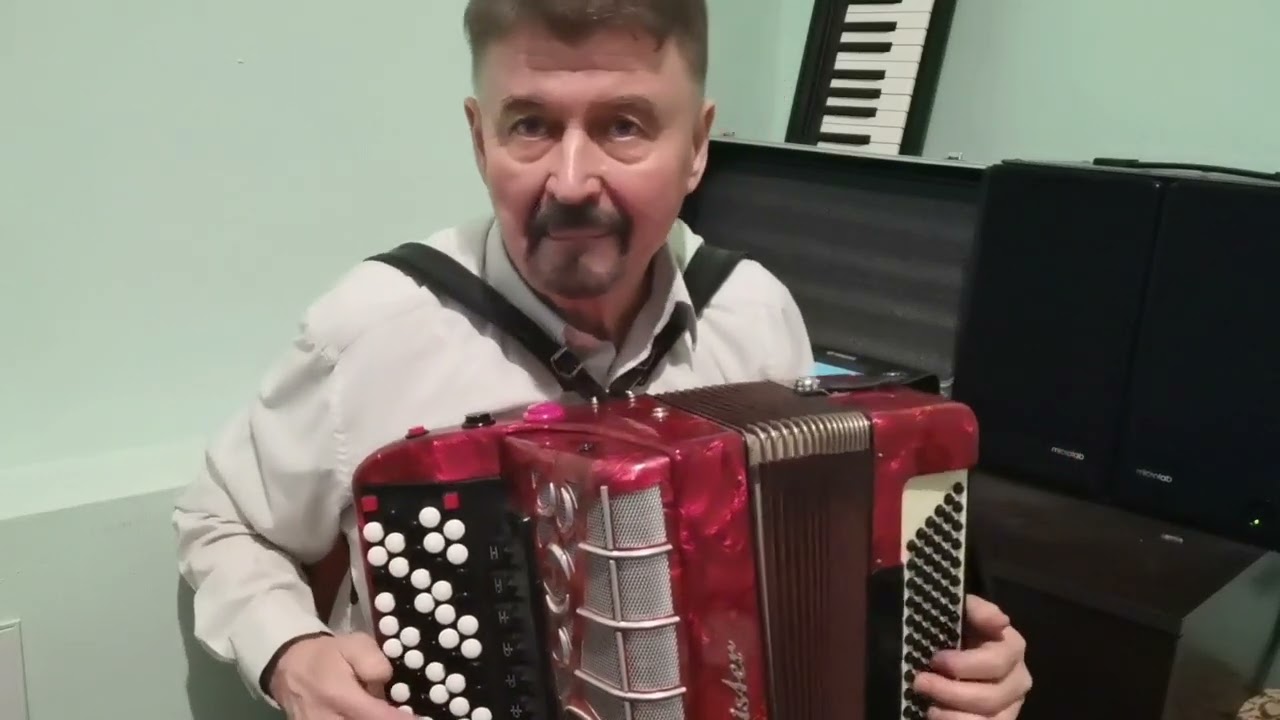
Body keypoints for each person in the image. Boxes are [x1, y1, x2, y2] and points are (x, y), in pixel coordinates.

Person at [173, 0, 1033, 718]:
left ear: (698, 147)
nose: (572, 181)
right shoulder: (378, 328)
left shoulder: (753, 313)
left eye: (624, 127)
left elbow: (824, 586)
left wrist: (959, 675)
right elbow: (221, 521)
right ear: (479, 138)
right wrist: (290, 653)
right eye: (530, 126)